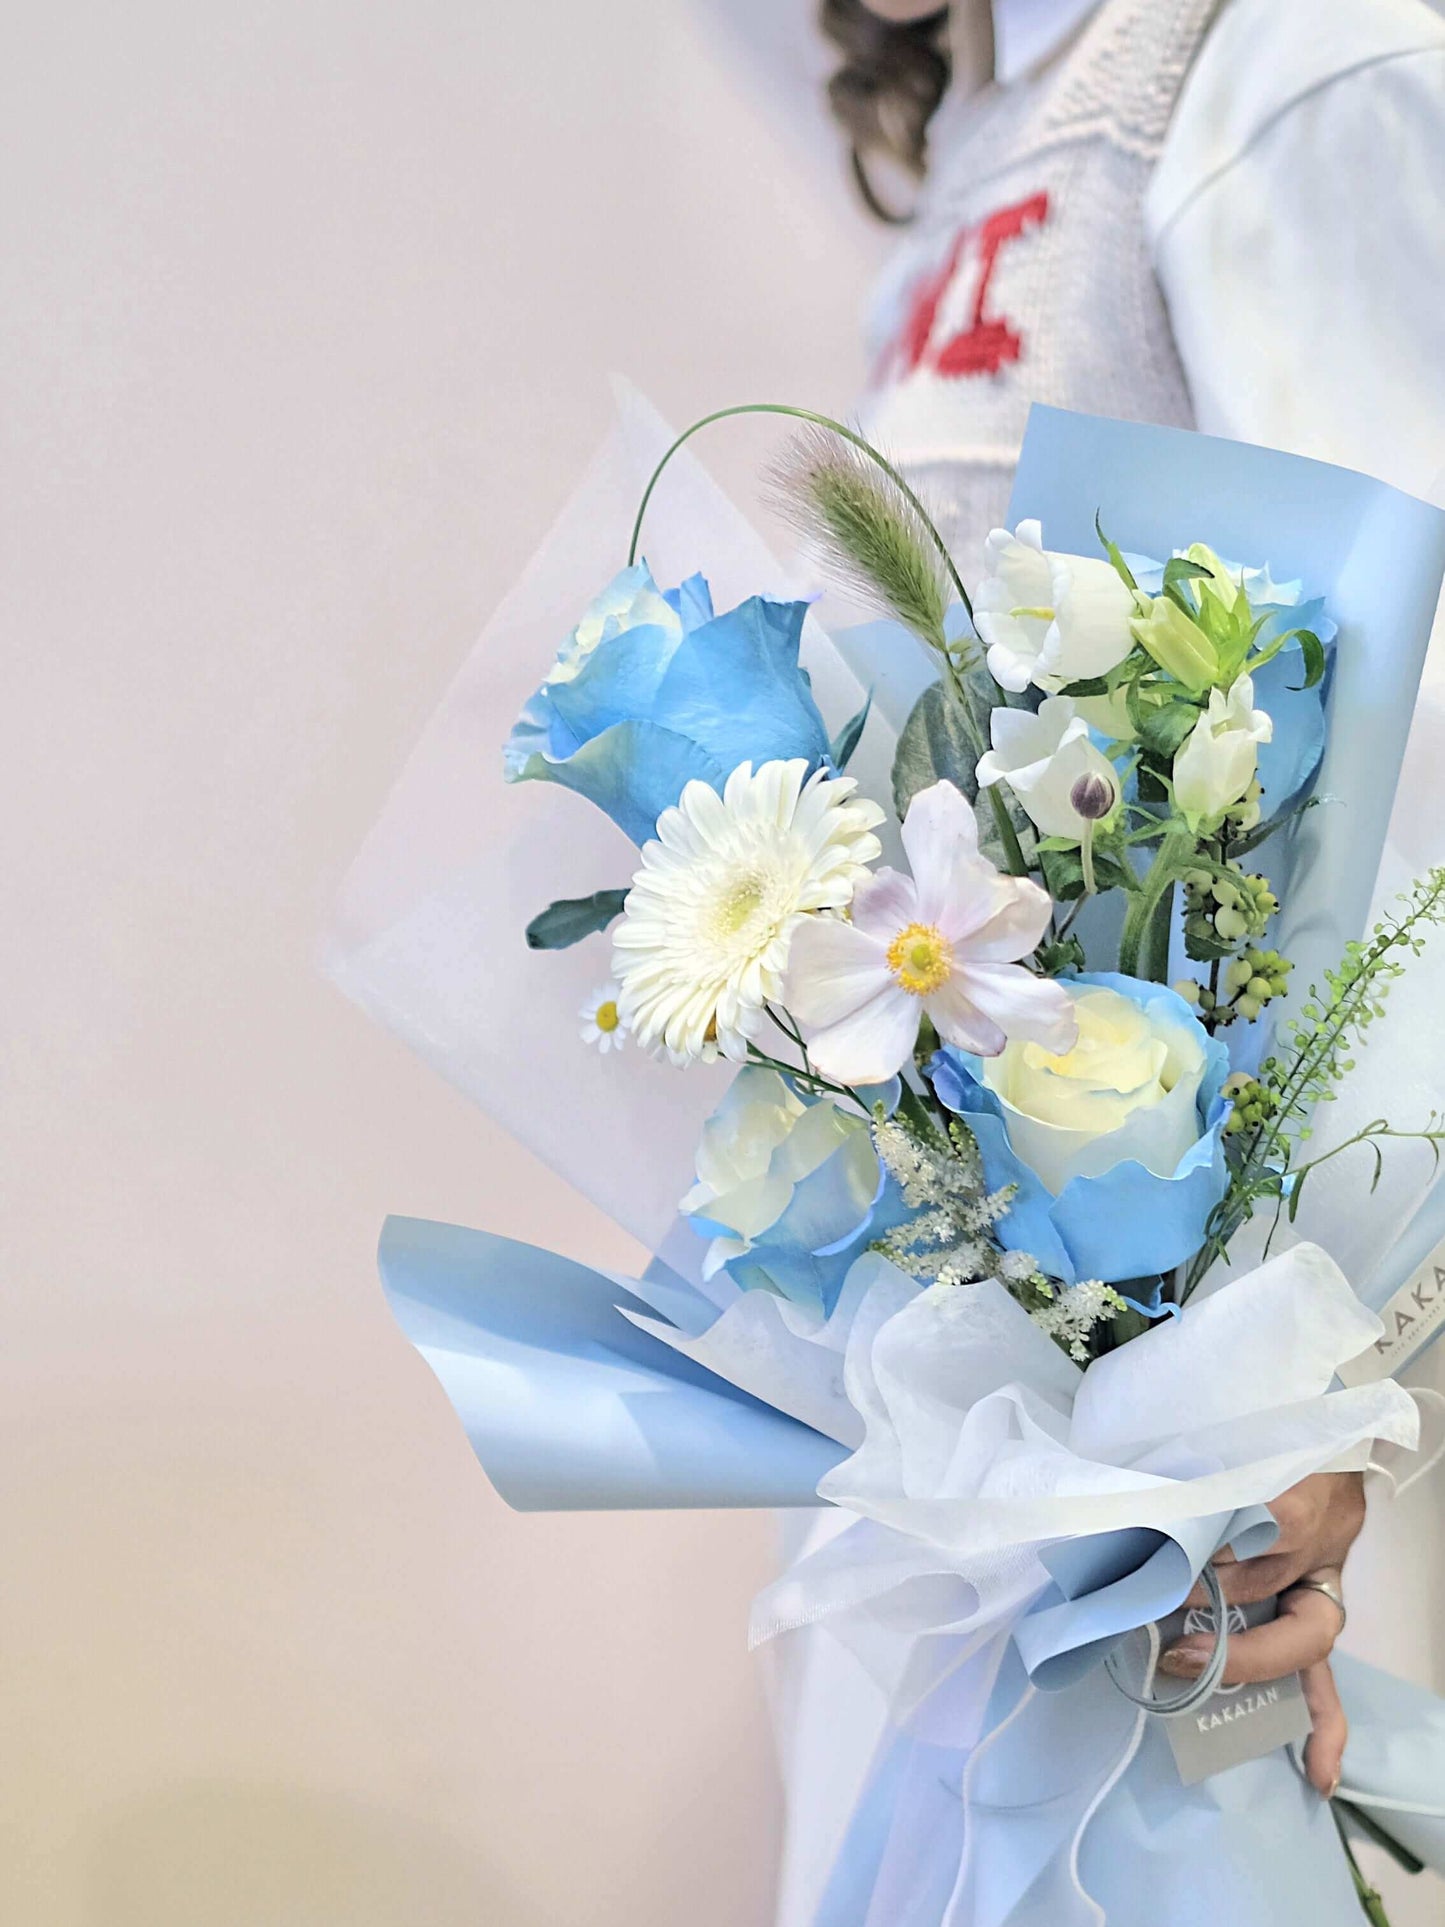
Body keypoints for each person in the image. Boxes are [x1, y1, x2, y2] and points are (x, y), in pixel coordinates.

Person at [761, 4, 1445, 1916]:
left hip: (1242, 1503)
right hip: (992, 1468)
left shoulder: (1279, 67)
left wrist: (1342, 1418)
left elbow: (1417, 848)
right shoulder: (993, 108)